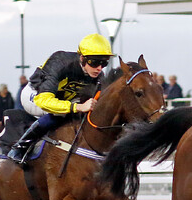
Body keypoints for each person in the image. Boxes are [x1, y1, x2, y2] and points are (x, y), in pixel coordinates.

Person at [7, 33, 114, 164]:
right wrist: (78, 107)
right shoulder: (60, 62)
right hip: (35, 96)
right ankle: (20, 147)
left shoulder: (98, 77)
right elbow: (43, 100)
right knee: (60, 114)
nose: (99, 68)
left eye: (104, 63)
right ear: (82, 58)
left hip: (63, 99)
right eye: (95, 62)